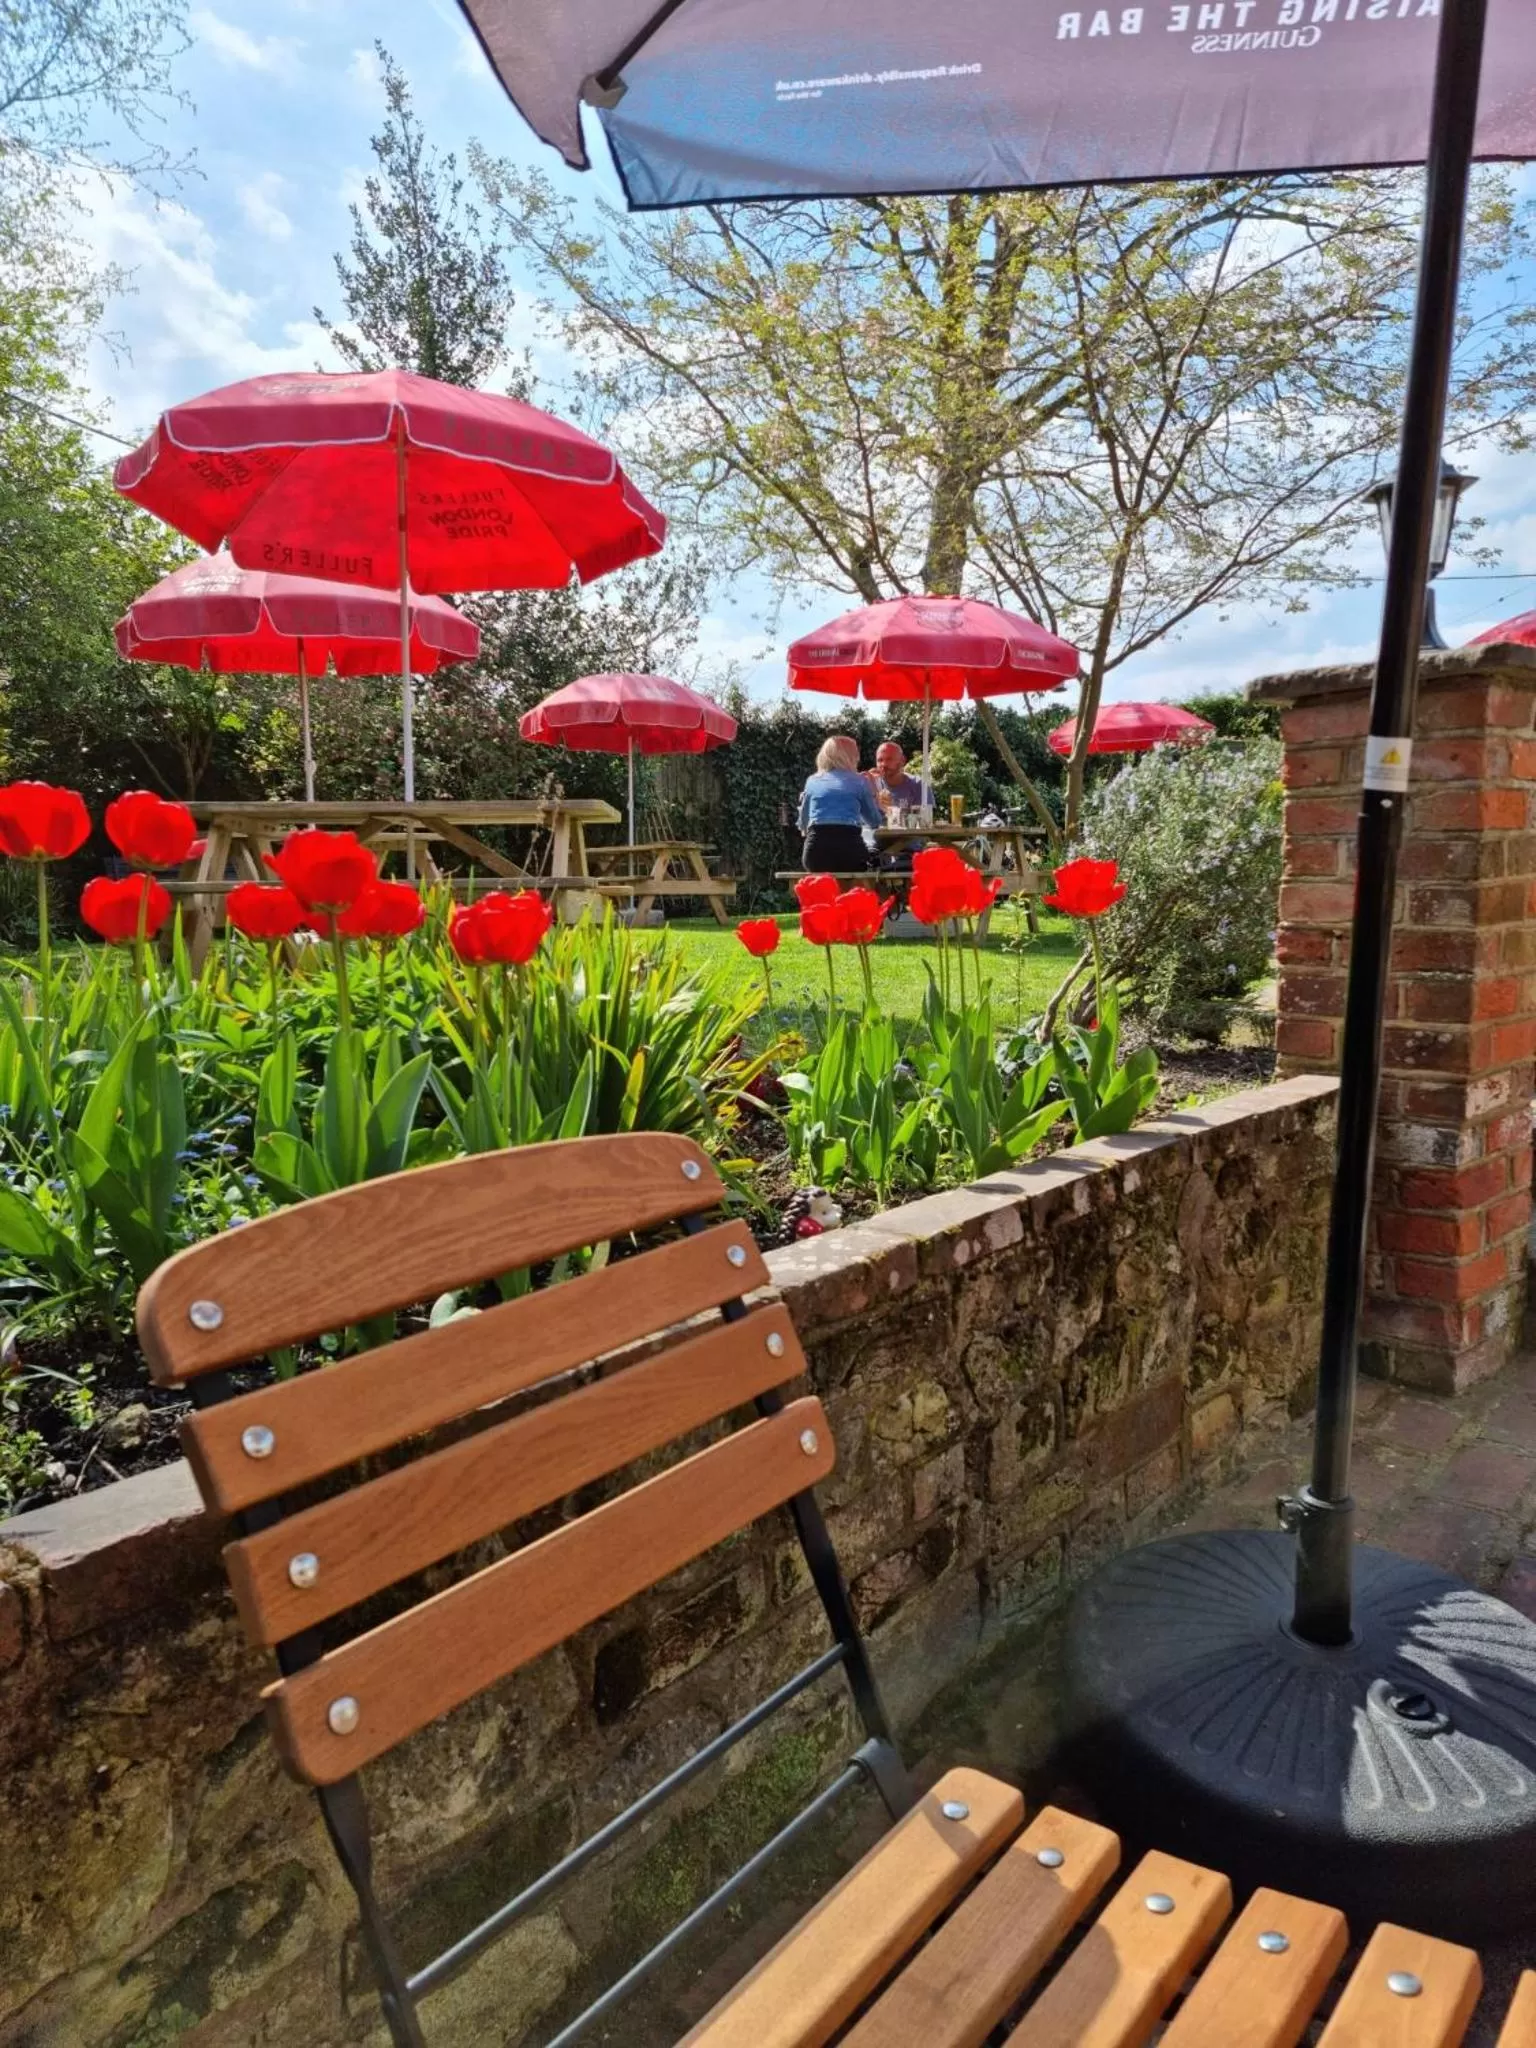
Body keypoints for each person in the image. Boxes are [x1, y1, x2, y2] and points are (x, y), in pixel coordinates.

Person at [797, 734, 882, 873]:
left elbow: (803, 823)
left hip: (816, 854)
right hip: (851, 853)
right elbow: (874, 821)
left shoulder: (812, 781)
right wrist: (873, 793)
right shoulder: (860, 781)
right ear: (850, 757)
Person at [870, 740, 924, 814]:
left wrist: (891, 809)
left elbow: (923, 821)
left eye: (889, 759)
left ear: (902, 761)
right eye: (880, 760)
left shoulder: (918, 785)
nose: (884, 764)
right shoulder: (870, 784)